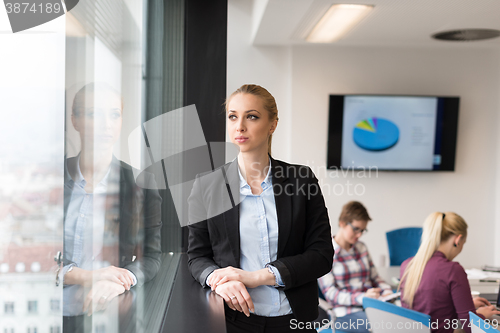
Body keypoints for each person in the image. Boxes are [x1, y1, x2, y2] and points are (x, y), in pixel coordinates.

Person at [187, 84, 334, 332]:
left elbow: (321, 256)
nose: (239, 126)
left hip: (295, 318)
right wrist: (217, 280)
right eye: (233, 116)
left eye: (251, 116)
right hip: (234, 320)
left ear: (272, 124)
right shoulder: (206, 186)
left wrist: (256, 277)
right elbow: (196, 256)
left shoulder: (301, 179)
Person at [62, 83, 162, 331]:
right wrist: (89, 276)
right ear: (75, 120)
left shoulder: (141, 186)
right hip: (46, 313)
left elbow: (151, 257)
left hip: (108, 316)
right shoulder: (52, 178)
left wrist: (122, 280)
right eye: (94, 113)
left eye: (114, 114)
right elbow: (36, 259)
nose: (106, 124)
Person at [399, 212, 500, 333]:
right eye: (464, 243)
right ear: (457, 240)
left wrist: (466, 306)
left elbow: (432, 311)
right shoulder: (453, 270)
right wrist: (481, 315)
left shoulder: (407, 265)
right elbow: (470, 327)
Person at [318, 201, 392, 333]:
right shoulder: (325, 252)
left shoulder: (361, 247)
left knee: (402, 319)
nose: (359, 235)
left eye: (362, 230)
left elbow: (375, 277)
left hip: (371, 307)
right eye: (356, 229)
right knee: (383, 326)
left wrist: (387, 291)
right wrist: (363, 297)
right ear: (342, 223)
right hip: (344, 313)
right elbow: (331, 294)